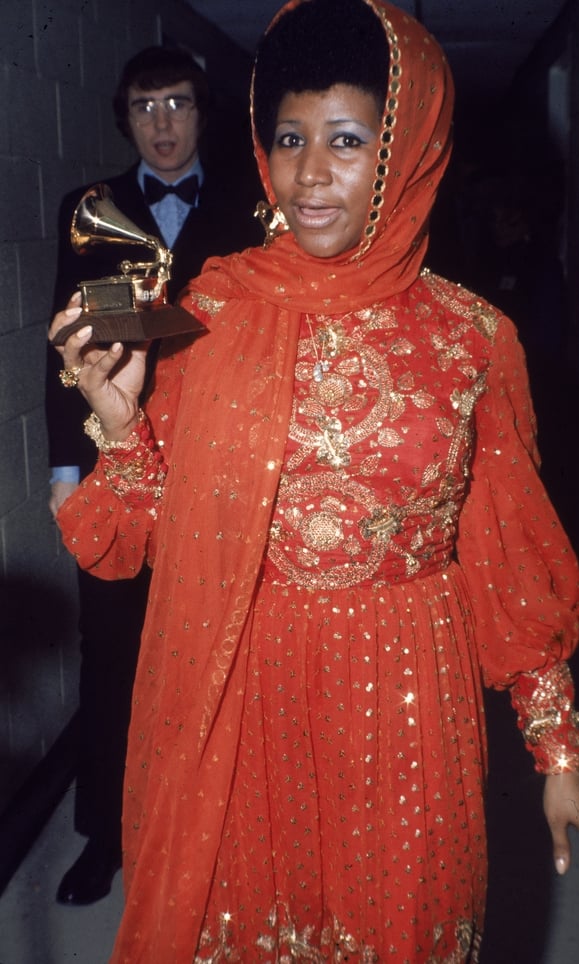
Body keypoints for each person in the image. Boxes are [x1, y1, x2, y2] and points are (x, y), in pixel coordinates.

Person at [50, 1, 579, 960]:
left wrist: (559, 754)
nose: (310, 174)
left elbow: (507, 560)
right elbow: (133, 535)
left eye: (346, 141)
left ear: (408, 148)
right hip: (244, 702)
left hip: (408, 710)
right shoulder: (216, 308)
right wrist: (118, 421)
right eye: (290, 139)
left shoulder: (471, 340)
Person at [45, 45, 261, 906]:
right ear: (124, 118)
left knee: (223, 650)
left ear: (205, 113)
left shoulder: (257, 207)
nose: (163, 123)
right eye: (145, 106)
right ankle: (107, 835)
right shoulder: (86, 210)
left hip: (221, 469)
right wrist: (68, 466)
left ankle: (222, 834)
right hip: (118, 465)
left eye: (178, 103)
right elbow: (61, 348)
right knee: (113, 653)